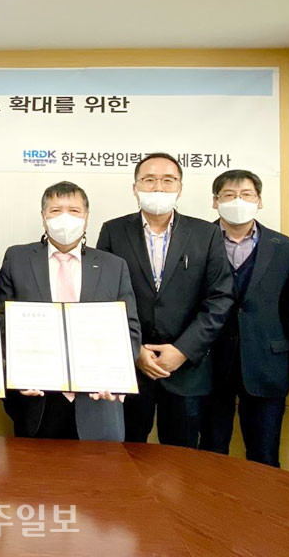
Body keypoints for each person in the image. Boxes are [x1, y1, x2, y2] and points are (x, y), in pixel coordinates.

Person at [96, 152, 233, 447]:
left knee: (181, 457)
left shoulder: (206, 234)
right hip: (130, 368)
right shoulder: (113, 231)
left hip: (186, 370)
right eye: (149, 180)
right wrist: (134, 350)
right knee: (127, 453)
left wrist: (183, 350)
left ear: (180, 188)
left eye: (168, 180)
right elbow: (103, 298)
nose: (158, 187)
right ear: (135, 187)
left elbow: (219, 298)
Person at [0, 181, 140, 441]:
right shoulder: (17, 259)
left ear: (86, 218)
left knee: (99, 468)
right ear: (43, 217)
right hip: (37, 399)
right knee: (35, 467)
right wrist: (16, 371)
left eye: (74, 211)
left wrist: (117, 375)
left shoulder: (113, 266)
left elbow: (129, 329)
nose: (65, 218)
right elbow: (2, 323)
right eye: (55, 210)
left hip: (97, 399)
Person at [198, 170, 289, 466]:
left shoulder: (285, 248)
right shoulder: (197, 242)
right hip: (209, 364)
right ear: (215, 201)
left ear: (259, 201)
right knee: (211, 450)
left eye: (246, 195)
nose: (238, 201)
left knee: (264, 455)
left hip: (267, 364)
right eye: (229, 195)